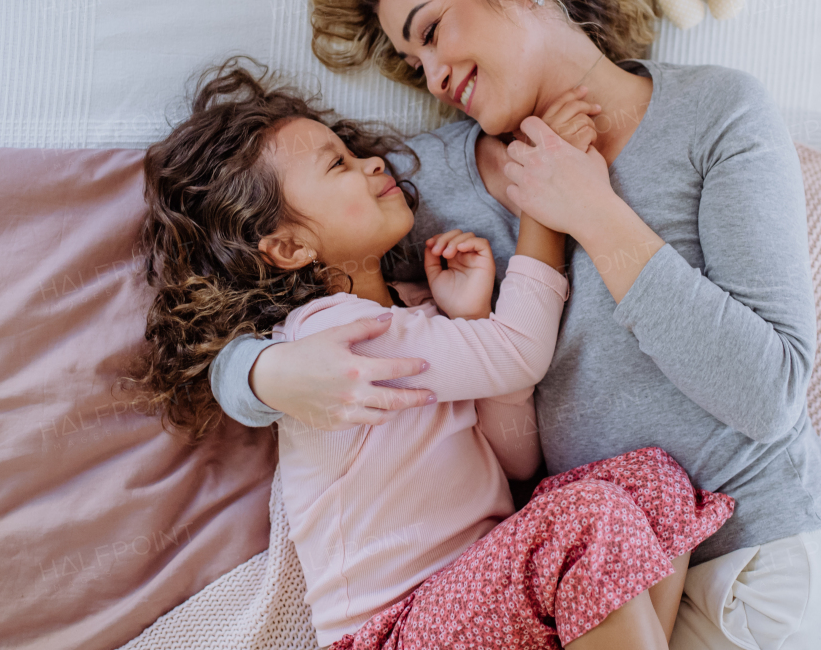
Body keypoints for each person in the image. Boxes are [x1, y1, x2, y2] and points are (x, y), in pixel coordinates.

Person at [211, 0, 821, 650]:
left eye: (431, 30)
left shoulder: (716, 114)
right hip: (578, 598)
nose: (432, 74)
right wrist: (261, 375)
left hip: (763, 566)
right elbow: (277, 265)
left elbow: (769, 392)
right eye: (411, 63)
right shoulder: (422, 187)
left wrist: (591, 212)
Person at [130, 65, 737, 649]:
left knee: (653, 484)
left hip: (478, 596)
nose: (370, 162)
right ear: (289, 246)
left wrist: (470, 323)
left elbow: (513, 458)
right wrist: (543, 208)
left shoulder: (414, 312)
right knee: (589, 519)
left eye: (352, 149)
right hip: (395, 629)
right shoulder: (334, 333)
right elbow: (519, 351)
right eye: (337, 164)